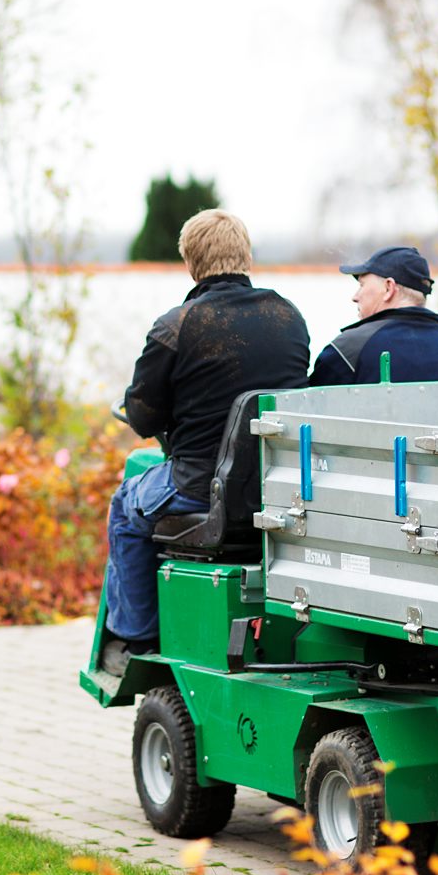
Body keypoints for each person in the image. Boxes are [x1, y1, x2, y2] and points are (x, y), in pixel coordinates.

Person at [101, 209, 310, 673]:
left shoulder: (176, 327)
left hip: (199, 486)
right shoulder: (288, 318)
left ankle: (133, 638)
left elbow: (142, 414)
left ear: (191, 263)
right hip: (278, 488)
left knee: (125, 505)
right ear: (246, 256)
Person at [308, 245, 438, 385]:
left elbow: (309, 419)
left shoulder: (347, 350)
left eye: (362, 285)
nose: (355, 297)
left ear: (389, 288)